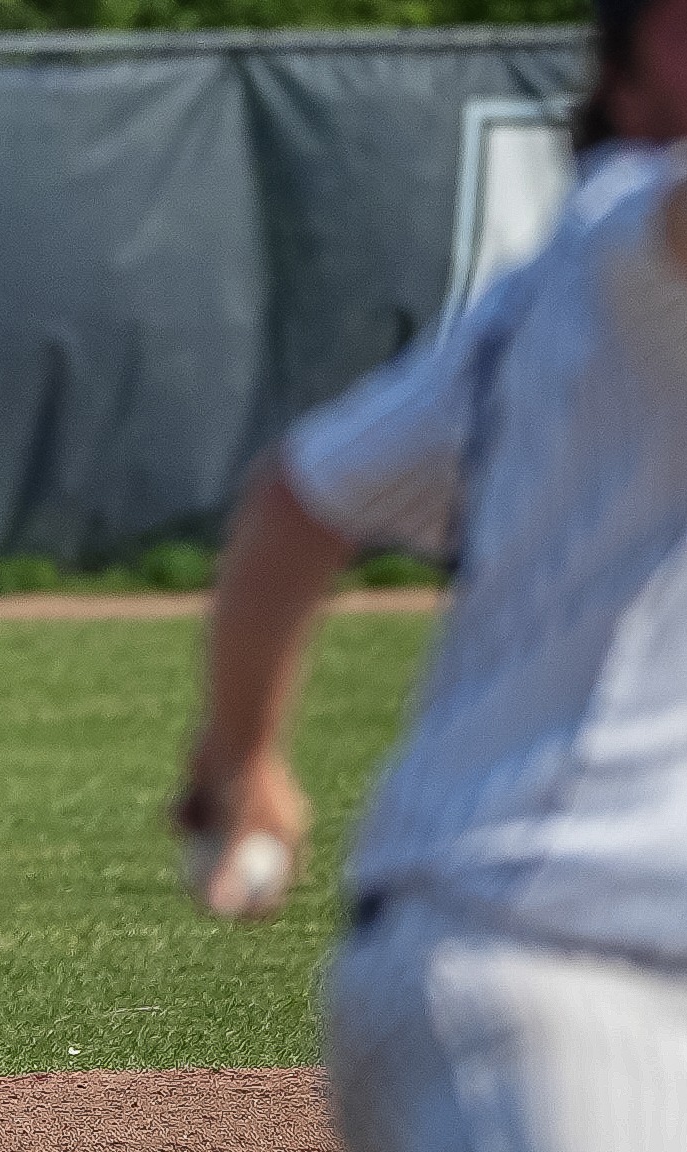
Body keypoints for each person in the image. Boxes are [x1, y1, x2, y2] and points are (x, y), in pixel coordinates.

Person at [175, 0, 687, 1146]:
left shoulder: (543, 292)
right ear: (624, 79)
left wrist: (241, 754)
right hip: (553, 972)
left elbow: (300, 500)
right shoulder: (631, 253)